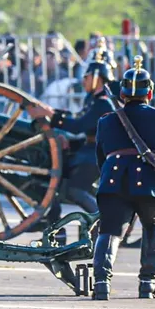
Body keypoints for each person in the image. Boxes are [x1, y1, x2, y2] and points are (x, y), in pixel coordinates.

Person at [92, 56, 155, 301]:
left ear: (122, 94)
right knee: (153, 228)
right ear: (150, 94)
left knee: (109, 232)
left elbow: (101, 158)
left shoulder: (106, 120)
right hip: (151, 181)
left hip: (113, 180)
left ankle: (101, 283)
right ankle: (147, 283)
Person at [28, 49, 116, 241]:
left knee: (76, 190)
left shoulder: (103, 103)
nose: (83, 81)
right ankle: (55, 228)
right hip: (87, 149)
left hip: (96, 154)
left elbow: (78, 126)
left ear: (96, 78)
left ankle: (106, 221)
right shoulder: (93, 100)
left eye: (86, 77)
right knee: (55, 181)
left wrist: (51, 115)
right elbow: (78, 121)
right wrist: (53, 115)